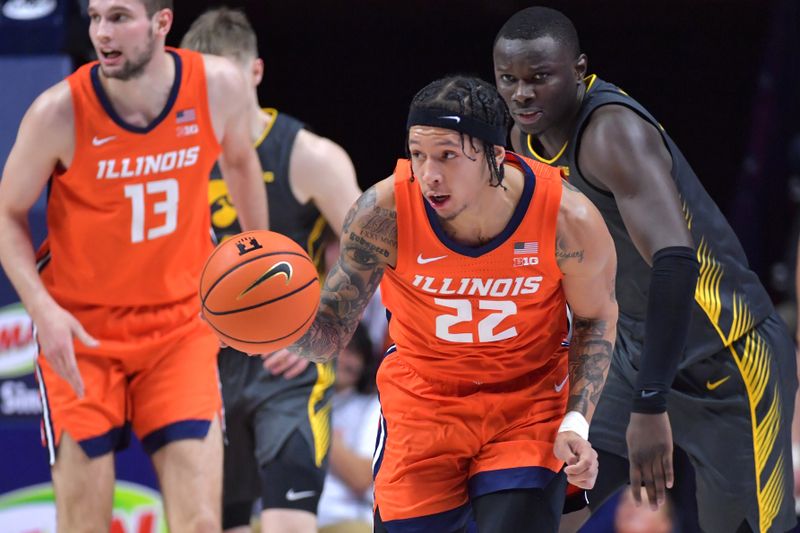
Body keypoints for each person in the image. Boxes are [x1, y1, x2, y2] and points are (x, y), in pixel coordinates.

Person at [493, 7, 798, 533]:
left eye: (539, 78)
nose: (522, 94)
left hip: (727, 356)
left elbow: (675, 263)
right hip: (634, 347)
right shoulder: (526, 140)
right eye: (509, 80)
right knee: (548, 500)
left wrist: (651, 404)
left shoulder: (613, 134)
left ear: (579, 69)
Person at [269, 75, 619, 533]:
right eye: (418, 155)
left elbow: (596, 317)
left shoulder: (567, 220)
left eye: (448, 156)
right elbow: (329, 333)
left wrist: (577, 420)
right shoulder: (383, 214)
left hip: (526, 402)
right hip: (423, 402)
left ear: (495, 155)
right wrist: (270, 325)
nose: (429, 173)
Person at [0, 0, 268, 531]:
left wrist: (258, 256)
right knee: (85, 523)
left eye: (119, 17)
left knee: (199, 522)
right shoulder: (58, 111)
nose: (102, 32)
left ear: (162, 24)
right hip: (83, 334)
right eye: (96, 18)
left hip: (179, 330)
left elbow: (240, 161)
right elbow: (7, 215)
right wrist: (42, 311)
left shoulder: (217, 87)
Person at [180, 7, 362, 533]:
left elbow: (376, 248)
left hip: (287, 369)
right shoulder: (176, 157)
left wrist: (321, 323)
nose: (214, 97)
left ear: (255, 74)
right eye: (203, 83)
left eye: (226, 83)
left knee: (288, 525)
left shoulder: (308, 156)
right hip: (203, 367)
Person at [317, 323, 381, 533]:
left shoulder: (373, 407)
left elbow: (362, 477)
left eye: (352, 353)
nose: (343, 360)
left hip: (346, 520)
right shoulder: (290, 401)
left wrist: (316, 421)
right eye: (337, 351)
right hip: (285, 515)